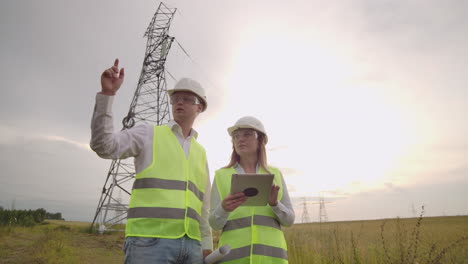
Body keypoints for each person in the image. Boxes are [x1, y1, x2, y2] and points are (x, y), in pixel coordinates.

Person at [90, 59, 213, 263]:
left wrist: (207, 244)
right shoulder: (148, 133)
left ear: (199, 107)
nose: (179, 102)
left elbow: (204, 205)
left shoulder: (201, 152)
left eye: (186, 98)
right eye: (175, 99)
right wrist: (107, 95)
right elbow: (103, 146)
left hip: (192, 246)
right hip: (149, 244)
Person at [209, 116, 295, 263]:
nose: (240, 139)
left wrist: (275, 204)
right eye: (236, 137)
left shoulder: (274, 175)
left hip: (272, 259)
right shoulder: (221, 176)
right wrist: (223, 208)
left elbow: (289, 220)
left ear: (260, 140)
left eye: (247, 134)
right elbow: (214, 224)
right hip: (233, 259)